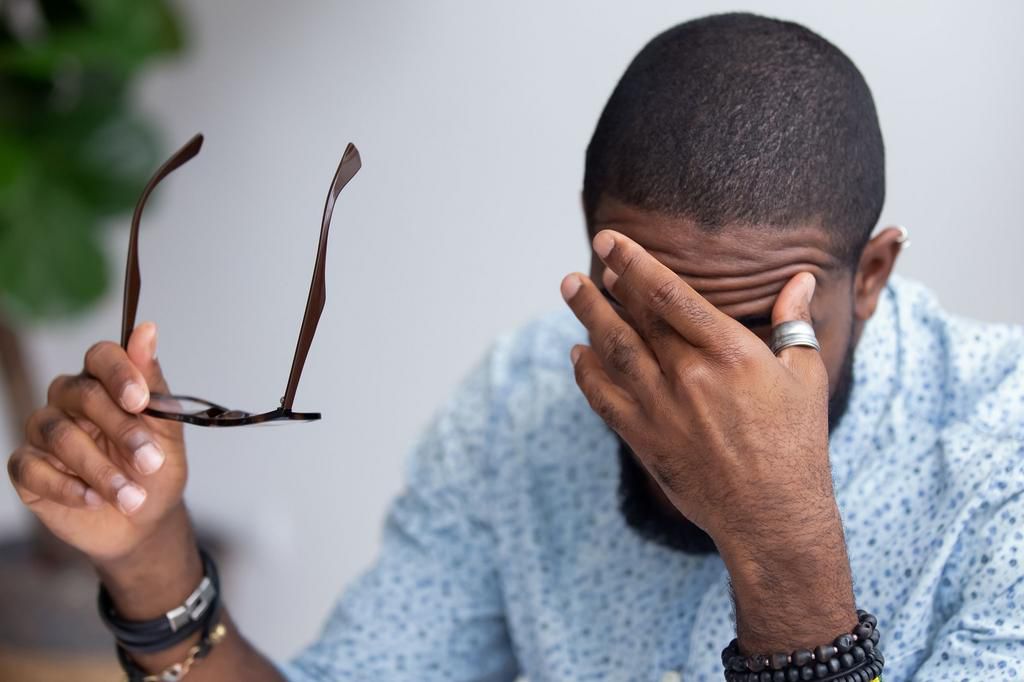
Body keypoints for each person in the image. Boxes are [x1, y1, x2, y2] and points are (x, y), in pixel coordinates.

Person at [7, 11, 1024, 682]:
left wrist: (782, 549)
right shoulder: (521, 400)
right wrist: (151, 562)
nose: (692, 397)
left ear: (871, 274)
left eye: (760, 337)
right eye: (650, 319)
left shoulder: (1003, 463)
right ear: (591, 240)